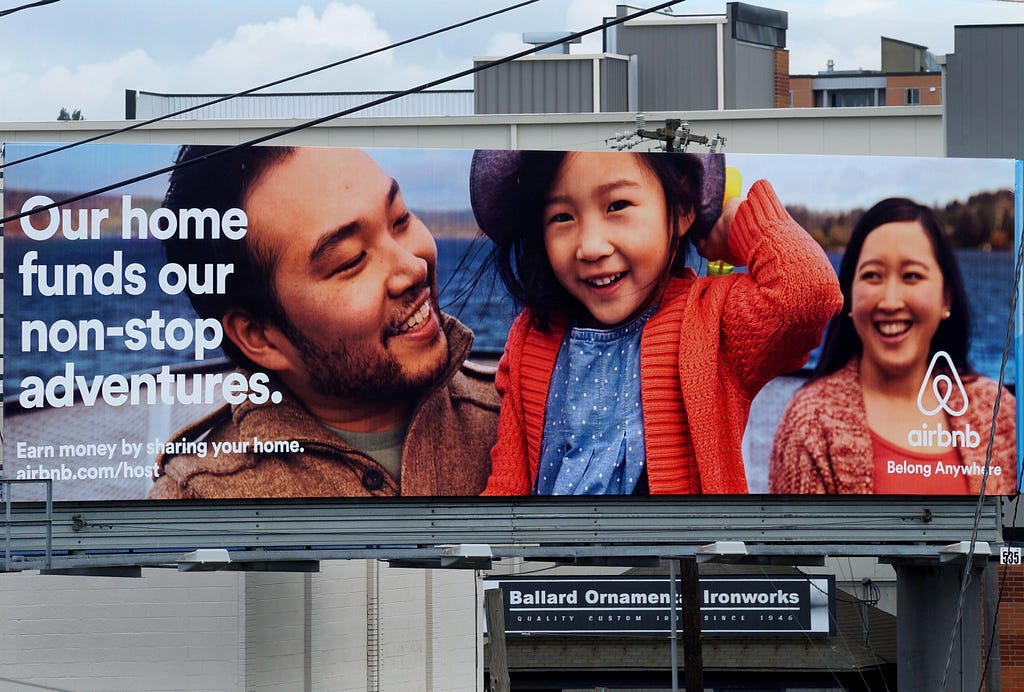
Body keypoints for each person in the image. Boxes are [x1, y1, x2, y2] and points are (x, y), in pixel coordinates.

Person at [470, 149, 843, 495]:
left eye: (617, 205)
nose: (591, 246)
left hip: (681, 567)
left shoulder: (713, 324)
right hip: (555, 566)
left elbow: (808, 293)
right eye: (562, 217)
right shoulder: (531, 338)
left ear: (681, 210)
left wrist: (738, 221)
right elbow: (508, 484)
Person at [147, 145, 500, 499]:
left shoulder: (528, 416)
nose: (414, 267)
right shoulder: (199, 505)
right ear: (259, 336)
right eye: (350, 260)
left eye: (401, 219)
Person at [769, 197, 1017, 495]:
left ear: (946, 298)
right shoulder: (810, 424)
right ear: (849, 294)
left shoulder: (997, 411)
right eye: (872, 276)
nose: (890, 301)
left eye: (912, 276)